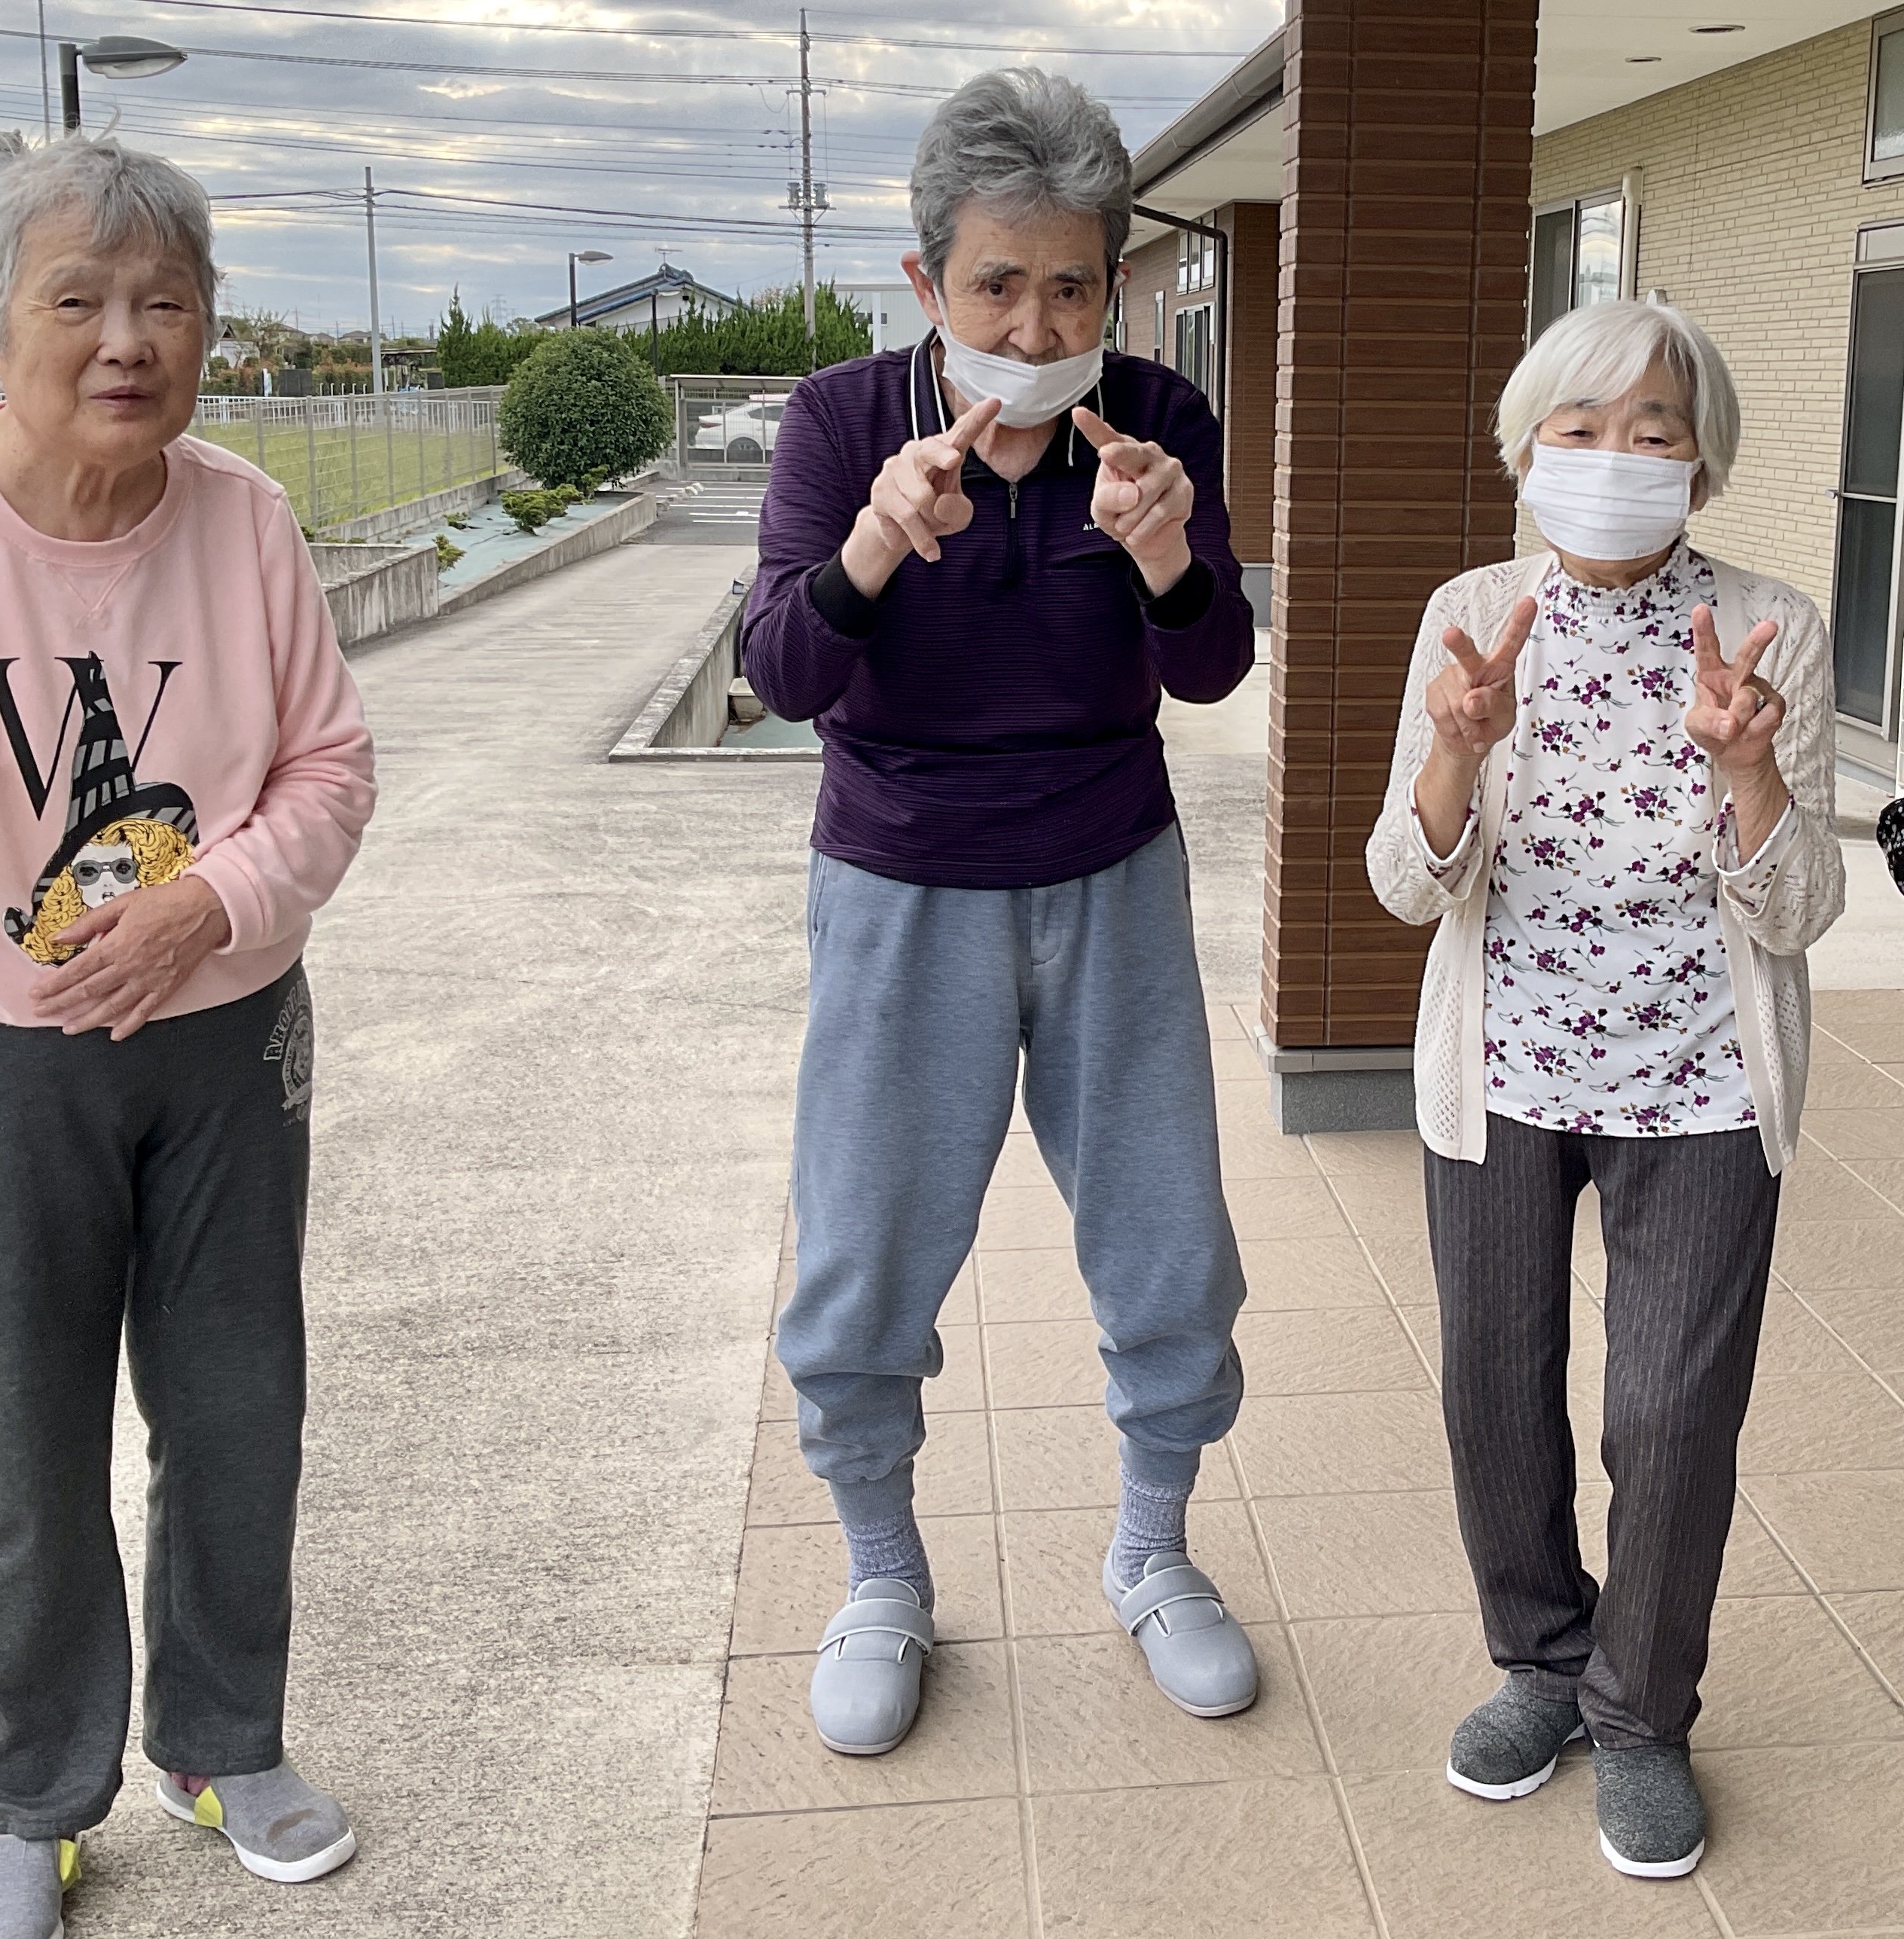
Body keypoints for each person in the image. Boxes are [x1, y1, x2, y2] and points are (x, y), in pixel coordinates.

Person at [0, 136, 377, 1936]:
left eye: (166, 303)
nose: (128, 341)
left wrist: (216, 901)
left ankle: (223, 1740)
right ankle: (25, 1801)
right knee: (15, 1427)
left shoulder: (241, 520)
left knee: (237, 1402)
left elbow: (329, 769)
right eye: (78, 301)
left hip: (224, 1024)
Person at [743, 67, 1259, 1757]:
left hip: (1111, 865)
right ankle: (881, 1576)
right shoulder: (839, 421)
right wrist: (872, 549)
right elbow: (778, 670)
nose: (1034, 326)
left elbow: (1212, 667)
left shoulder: (1159, 420)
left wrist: (1167, 558)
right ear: (925, 282)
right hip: (898, 881)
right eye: (994, 286)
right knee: (865, 1250)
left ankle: (1151, 1550)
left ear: (1113, 285)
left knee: (1166, 1234)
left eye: (1071, 288)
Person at [1366, 300, 1844, 1879]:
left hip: (1703, 1083)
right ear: (1524, 451)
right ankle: (1540, 1662)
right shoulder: (1469, 612)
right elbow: (1403, 885)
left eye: (1654, 432)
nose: (1613, 458)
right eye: (1577, 429)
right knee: (1493, 1391)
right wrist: (1455, 749)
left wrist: (1748, 771)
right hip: (1502, 1068)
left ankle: (1639, 1713)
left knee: (1671, 1414)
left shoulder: (1771, 628)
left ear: (1700, 465)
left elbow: (1800, 912)